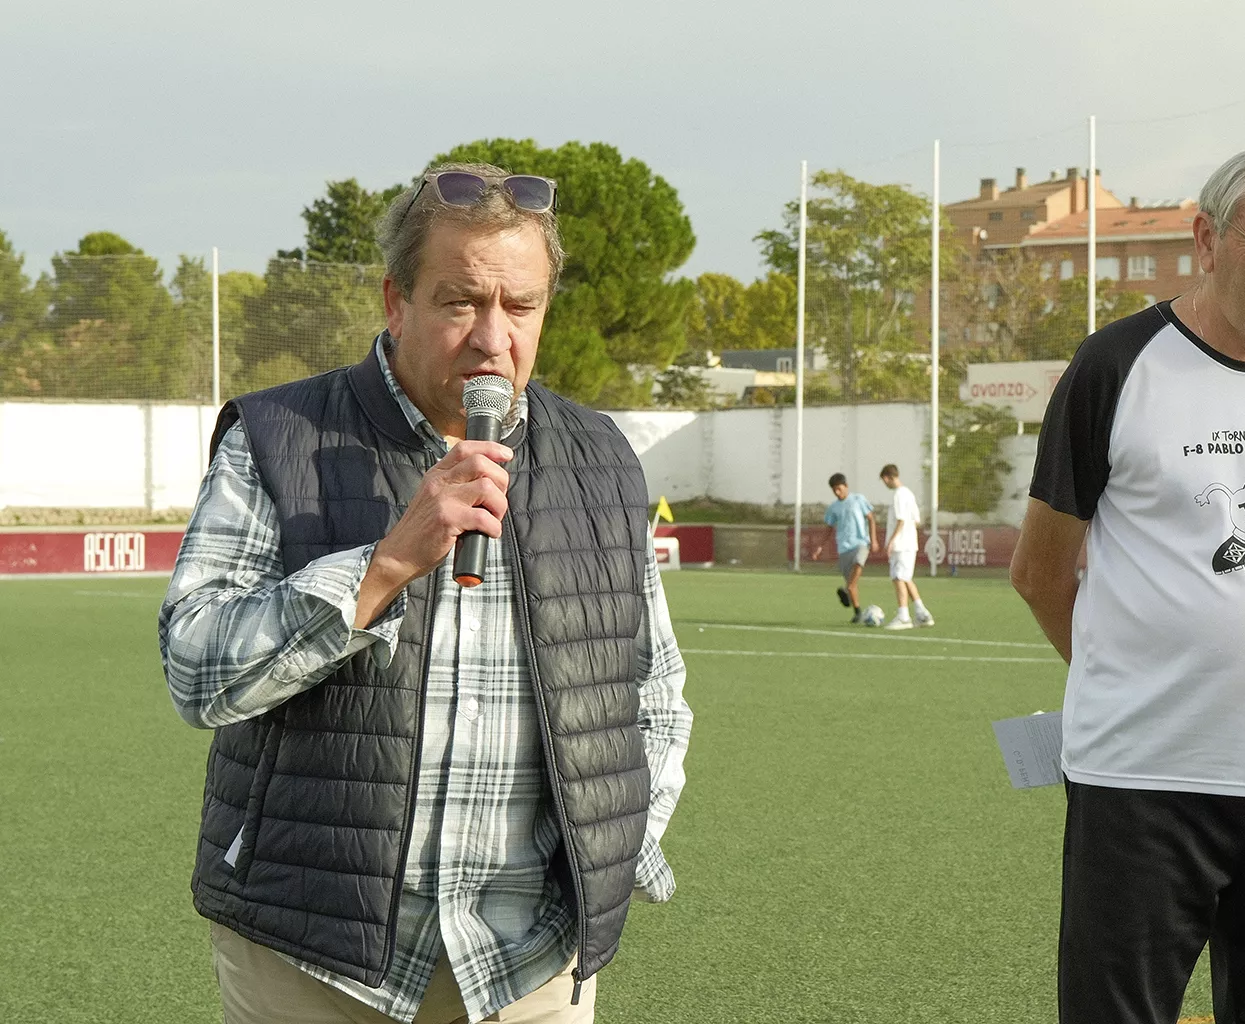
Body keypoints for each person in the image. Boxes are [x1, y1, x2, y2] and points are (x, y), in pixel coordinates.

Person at [160, 163, 693, 1024]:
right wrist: (382, 567)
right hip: (313, 957)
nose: (493, 338)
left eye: (520, 306)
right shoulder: (277, 435)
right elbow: (197, 670)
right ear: (396, 301)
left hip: (531, 963)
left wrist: (615, 842)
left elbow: (653, 692)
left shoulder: (600, 460)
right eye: (460, 302)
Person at [1010, 147, 1245, 1024]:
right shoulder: (1115, 365)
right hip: (1141, 784)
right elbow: (1040, 572)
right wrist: (1126, 678)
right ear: (1207, 238)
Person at [878, 464, 934, 629]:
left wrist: (891, 541)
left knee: (899, 578)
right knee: (906, 578)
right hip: (909, 543)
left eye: (884, 480)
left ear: (888, 477)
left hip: (901, 545)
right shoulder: (909, 493)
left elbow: (901, 520)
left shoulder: (899, 495)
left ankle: (903, 617)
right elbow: (916, 520)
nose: (885, 484)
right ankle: (922, 614)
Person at [823, 472, 879, 622]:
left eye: (839, 489)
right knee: (852, 584)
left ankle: (847, 591)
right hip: (843, 548)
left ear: (846, 486)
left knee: (857, 566)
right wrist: (820, 546)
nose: (837, 492)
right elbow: (829, 527)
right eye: (834, 490)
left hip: (861, 543)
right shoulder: (833, 508)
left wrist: (873, 540)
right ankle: (857, 612)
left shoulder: (858, 499)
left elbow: (871, 518)